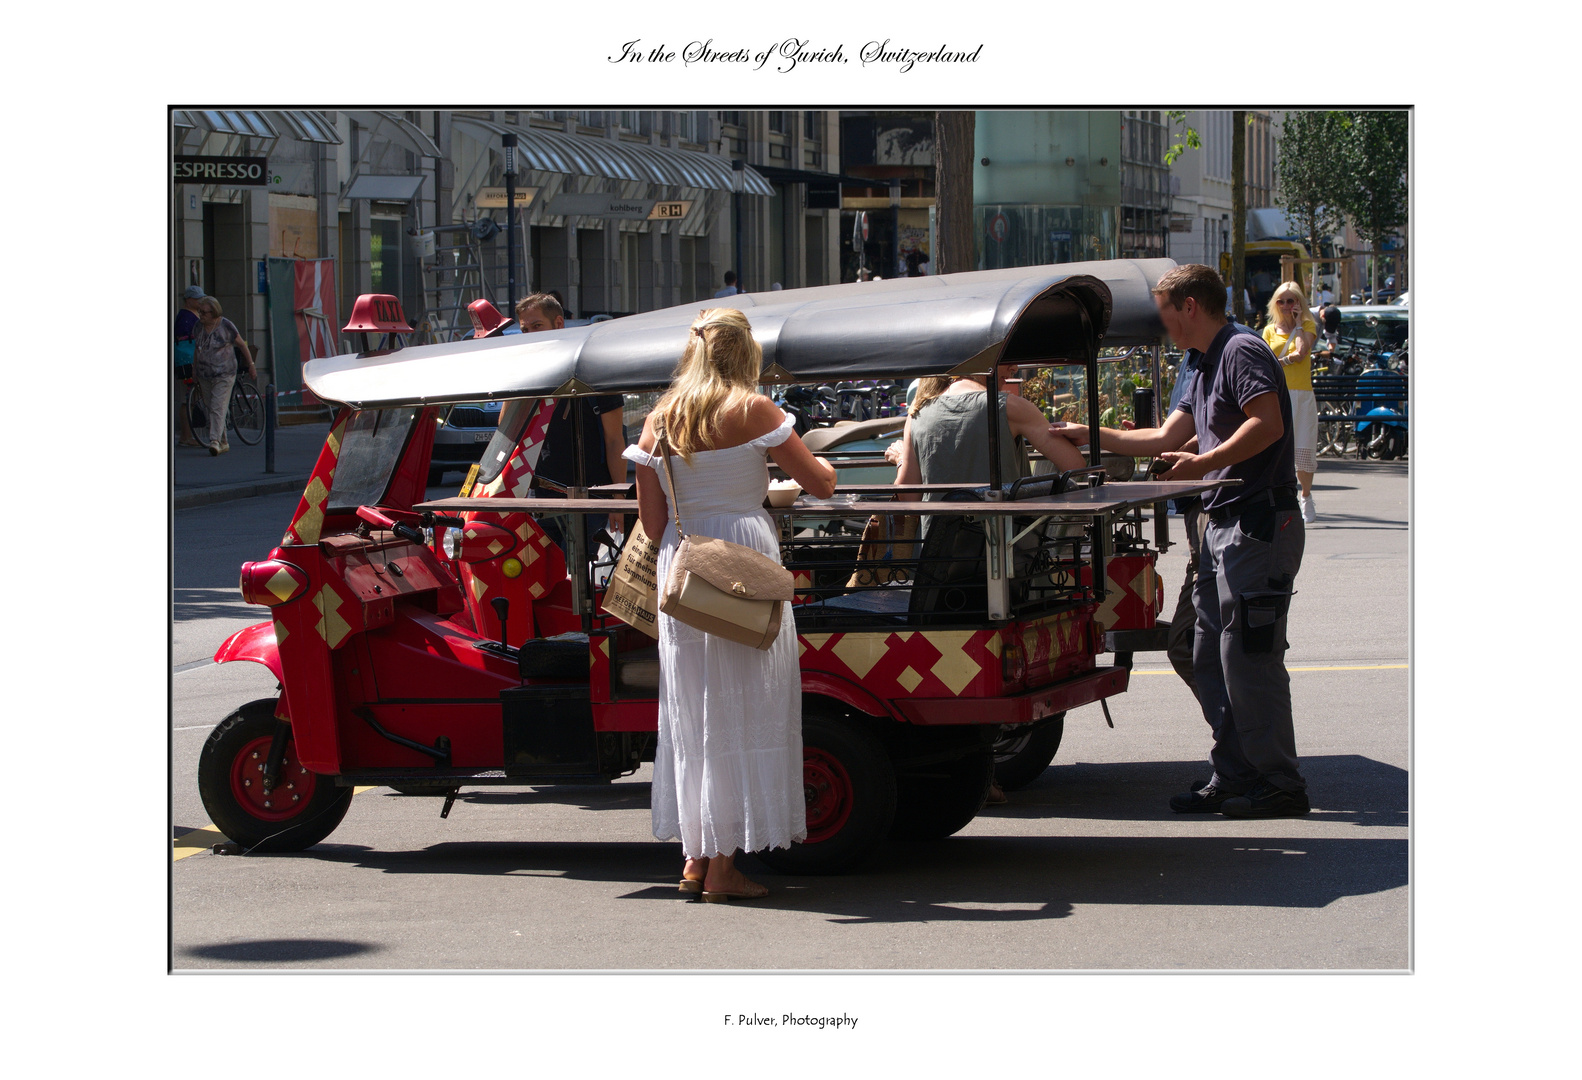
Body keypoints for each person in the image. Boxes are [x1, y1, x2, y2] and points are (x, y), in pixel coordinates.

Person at [1052, 263, 1308, 818]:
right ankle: (1237, 771)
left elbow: (1268, 424)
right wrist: (1092, 435)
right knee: (1204, 653)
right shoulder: (1199, 360)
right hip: (1222, 523)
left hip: (1257, 521)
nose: (1162, 323)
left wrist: (1206, 464)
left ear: (1190, 306)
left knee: (1248, 658)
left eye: (1165, 312)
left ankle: (1279, 783)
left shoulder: (1241, 351)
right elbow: (1168, 435)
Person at [624, 308, 837, 901]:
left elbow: (651, 520)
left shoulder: (657, 420)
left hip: (684, 563)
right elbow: (818, 483)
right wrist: (819, 474)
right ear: (745, 353)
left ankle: (697, 858)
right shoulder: (753, 409)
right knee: (746, 706)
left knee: (697, 709)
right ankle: (723, 870)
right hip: (741, 556)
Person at [514, 293, 626, 552]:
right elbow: (511, 432)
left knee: (577, 576)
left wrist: (617, 499)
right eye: (525, 330)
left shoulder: (594, 367)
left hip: (589, 496)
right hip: (540, 497)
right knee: (546, 578)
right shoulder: (529, 372)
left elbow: (614, 440)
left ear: (559, 323)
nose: (531, 334)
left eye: (537, 326)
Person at [1263, 282, 1320, 523]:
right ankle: (1280, 497)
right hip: (1277, 392)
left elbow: (1302, 351)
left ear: (1299, 303)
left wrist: (1297, 325)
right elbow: (1265, 360)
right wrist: (1286, 361)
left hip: (1301, 393)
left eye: (1291, 301)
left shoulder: (1307, 325)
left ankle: (1305, 495)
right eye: (1282, 301)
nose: (1286, 306)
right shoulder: (1268, 330)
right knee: (1275, 445)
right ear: (1275, 304)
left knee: (1304, 449)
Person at [190, 296, 256, 456]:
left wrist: (251, 365)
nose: (201, 315)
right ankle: (224, 442)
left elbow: (241, 345)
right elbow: (197, 350)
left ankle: (214, 441)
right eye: (200, 312)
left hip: (224, 374)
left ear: (214, 312)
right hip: (205, 374)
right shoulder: (198, 327)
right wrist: (194, 369)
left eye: (204, 312)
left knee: (217, 406)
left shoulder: (226, 326)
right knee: (211, 407)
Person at [175, 286, 205, 447]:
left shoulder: (193, 315)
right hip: (187, 362)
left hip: (192, 360)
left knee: (191, 399)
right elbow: (184, 338)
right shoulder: (185, 317)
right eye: (197, 298)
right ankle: (186, 437)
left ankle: (187, 436)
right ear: (189, 300)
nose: (200, 301)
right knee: (187, 399)